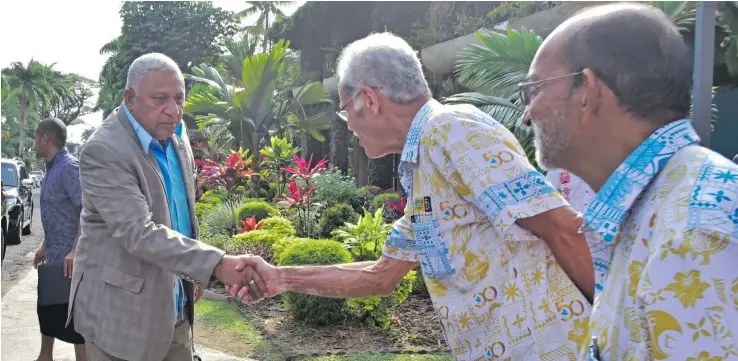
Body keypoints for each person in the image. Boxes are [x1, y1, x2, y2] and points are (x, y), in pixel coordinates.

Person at [228, 32, 595, 361]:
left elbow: (562, 227)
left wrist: (617, 335)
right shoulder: (424, 170)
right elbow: (381, 276)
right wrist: (279, 278)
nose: (349, 126)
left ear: (368, 99)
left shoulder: (452, 130)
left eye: (344, 111)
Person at [522, 3, 738, 360]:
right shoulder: (658, 207)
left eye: (535, 89)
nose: (528, 113)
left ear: (588, 90)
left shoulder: (693, 237)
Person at [69, 53, 266, 361]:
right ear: (130, 98)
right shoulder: (104, 150)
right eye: (160, 99)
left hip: (175, 310)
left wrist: (192, 272)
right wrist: (215, 264)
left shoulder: (177, 134)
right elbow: (138, 232)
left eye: (178, 98)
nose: (173, 111)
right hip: (122, 321)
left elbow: (179, 211)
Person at [33, 117, 87, 361]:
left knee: (77, 328)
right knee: (48, 312)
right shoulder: (52, 168)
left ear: (46, 138)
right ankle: (45, 357)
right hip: (54, 261)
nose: (35, 143)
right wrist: (44, 245)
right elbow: (58, 212)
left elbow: (86, 211)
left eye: (36, 138)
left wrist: (75, 250)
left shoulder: (69, 168)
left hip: (72, 267)